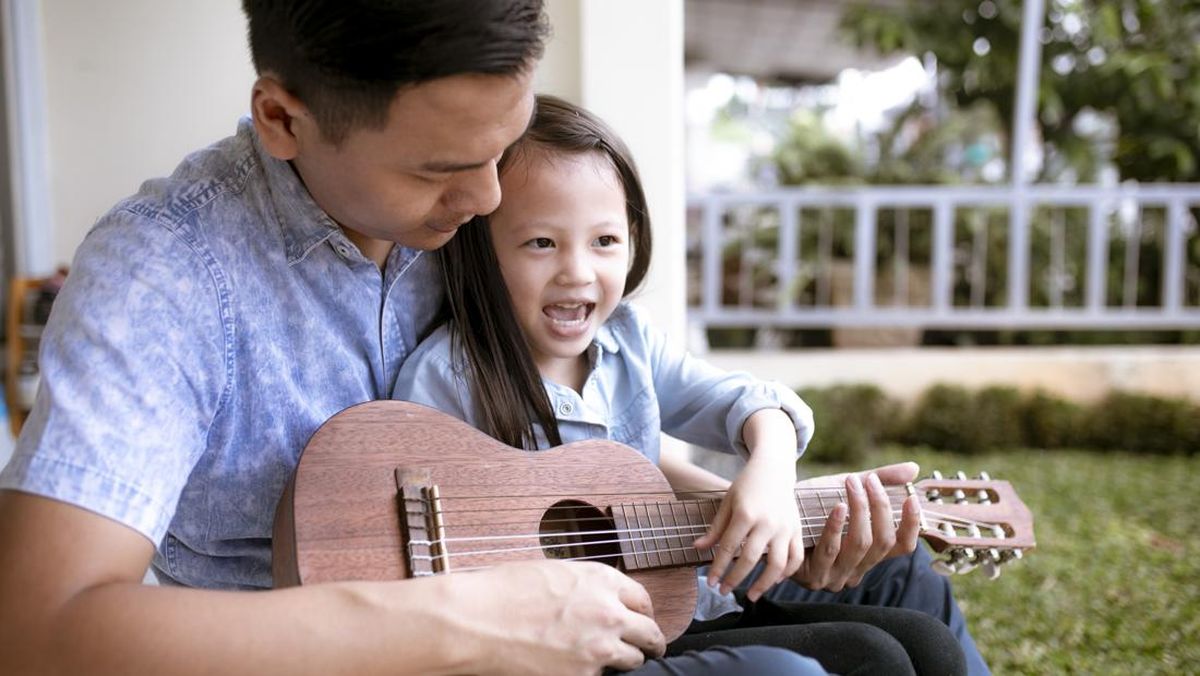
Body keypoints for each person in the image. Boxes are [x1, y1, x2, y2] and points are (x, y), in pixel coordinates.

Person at [0, 2, 833, 674]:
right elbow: (38, 633)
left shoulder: (488, 215)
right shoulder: (163, 278)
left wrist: (755, 506)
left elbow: (575, 439)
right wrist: (462, 621)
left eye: (503, 146)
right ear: (282, 118)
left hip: (579, 594)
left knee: (898, 638)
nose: (486, 198)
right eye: (438, 170)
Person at [393, 94, 966, 676]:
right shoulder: (446, 379)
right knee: (874, 659)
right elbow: (407, 531)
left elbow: (749, 401)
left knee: (928, 645)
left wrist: (769, 474)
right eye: (542, 242)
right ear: (482, 252)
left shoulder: (630, 344)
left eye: (604, 241)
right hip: (569, 649)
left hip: (684, 612)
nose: (578, 270)